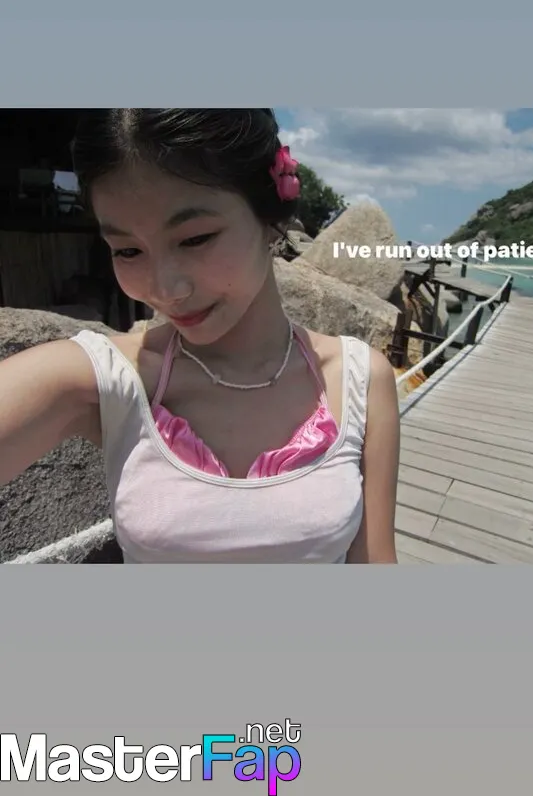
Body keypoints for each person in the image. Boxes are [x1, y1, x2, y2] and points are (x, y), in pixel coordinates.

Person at [0, 109, 400, 563]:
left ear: (271, 216)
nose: (166, 290)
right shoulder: (104, 379)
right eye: (127, 250)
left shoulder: (360, 379)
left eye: (195, 239)